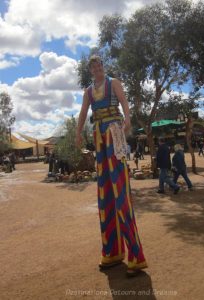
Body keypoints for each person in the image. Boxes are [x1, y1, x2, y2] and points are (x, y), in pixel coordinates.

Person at [76, 55, 147, 277]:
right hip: (98, 135)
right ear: (90, 70)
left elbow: (124, 101)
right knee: (105, 191)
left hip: (115, 132)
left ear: (103, 67)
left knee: (120, 190)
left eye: (99, 65)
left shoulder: (113, 83)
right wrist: (78, 132)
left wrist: (128, 119)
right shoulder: (88, 91)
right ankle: (112, 252)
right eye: (93, 66)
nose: (97, 68)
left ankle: (135, 256)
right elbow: (82, 112)